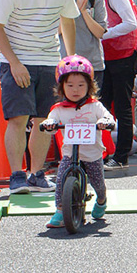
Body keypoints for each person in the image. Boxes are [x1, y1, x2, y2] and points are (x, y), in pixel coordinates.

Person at [0, 0, 79, 193]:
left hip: (49, 59)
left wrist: (70, 58)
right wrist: (14, 63)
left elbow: (68, 20)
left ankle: (37, 174)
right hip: (17, 59)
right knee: (18, 118)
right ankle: (17, 175)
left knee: (43, 121)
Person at [80, 0, 137, 171]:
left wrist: (103, 34)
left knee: (123, 105)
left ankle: (121, 156)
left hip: (123, 54)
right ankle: (98, 153)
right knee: (101, 104)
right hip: (105, 55)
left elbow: (131, 23)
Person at [40, 56, 115, 227]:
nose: (75, 90)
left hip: (92, 153)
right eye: (70, 85)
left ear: (89, 86)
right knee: (60, 179)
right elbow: (50, 120)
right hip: (69, 153)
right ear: (62, 87)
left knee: (98, 183)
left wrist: (106, 121)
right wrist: (49, 124)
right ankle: (60, 210)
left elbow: (107, 116)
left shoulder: (94, 106)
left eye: (81, 85)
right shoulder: (59, 109)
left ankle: (102, 200)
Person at [58, 0, 107, 85]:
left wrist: (84, 10)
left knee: (91, 105)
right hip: (65, 63)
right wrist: (74, 9)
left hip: (92, 63)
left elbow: (100, 32)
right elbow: (55, 31)